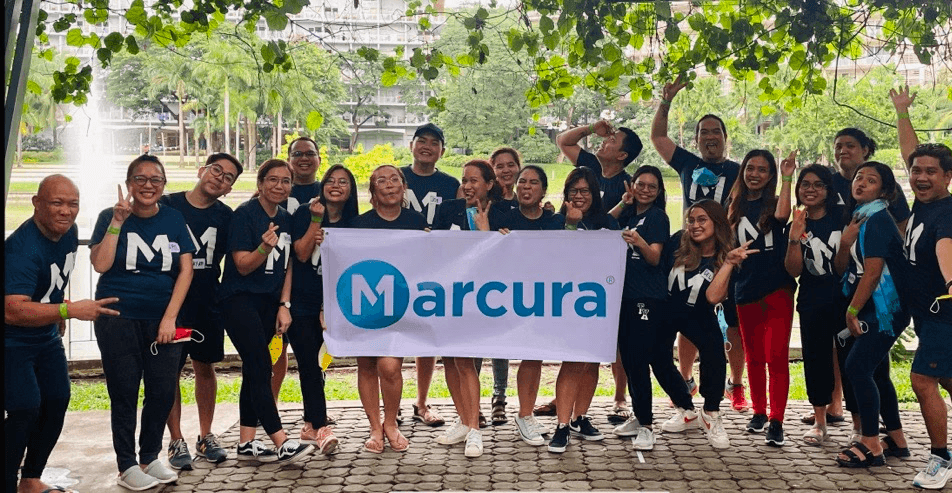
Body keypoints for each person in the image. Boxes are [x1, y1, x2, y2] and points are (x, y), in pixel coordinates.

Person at [5, 175, 119, 493]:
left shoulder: (68, 234)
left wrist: (57, 309)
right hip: (11, 341)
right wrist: (66, 310)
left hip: (44, 338)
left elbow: (53, 281)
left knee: (56, 399)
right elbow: (11, 309)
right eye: (57, 203)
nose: (66, 211)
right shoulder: (21, 250)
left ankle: (30, 480)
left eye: (73, 204)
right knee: (25, 408)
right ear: (36, 203)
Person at [88, 155, 196, 490]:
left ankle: (150, 456)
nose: (148, 185)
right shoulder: (110, 216)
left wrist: (170, 317)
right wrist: (118, 221)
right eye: (140, 178)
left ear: (163, 185)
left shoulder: (174, 219)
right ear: (129, 182)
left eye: (155, 179)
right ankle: (126, 465)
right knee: (124, 392)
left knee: (163, 390)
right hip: (117, 318)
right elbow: (100, 265)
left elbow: (186, 270)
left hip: (161, 319)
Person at [650, 75, 748, 412]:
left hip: (723, 252)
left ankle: (735, 384)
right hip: (690, 251)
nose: (710, 137)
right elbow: (659, 137)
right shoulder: (687, 163)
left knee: (728, 321)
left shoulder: (738, 170)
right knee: (685, 312)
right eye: (703, 132)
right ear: (696, 139)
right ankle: (686, 380)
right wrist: (667, 100)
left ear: (725, 138)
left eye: (715, 132)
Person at [217, 158, 313, 464]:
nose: (279, 186)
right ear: (260, 184)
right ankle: (281, 439)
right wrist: (263, 248)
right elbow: (242, 266)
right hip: (239, 299)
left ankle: (246, 442)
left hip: (269, 304)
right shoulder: (244, 215)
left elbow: (289, 267)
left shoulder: (286, 217)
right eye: (273, 180)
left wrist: (284, 305)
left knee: (254, 368)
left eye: (285, 181)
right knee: (260, 365)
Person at [555, 120, 644, 422]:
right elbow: (564, 141)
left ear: (622, 156)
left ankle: (619, 397)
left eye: (614, 140)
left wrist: (622, 204)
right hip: (570, 278)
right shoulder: (588, 167)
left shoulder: (628, 185)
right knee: (574, 351)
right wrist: (593, 129)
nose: (607, 142)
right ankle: (565, 407)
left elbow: (608, 226)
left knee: (611, 342)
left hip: (602, 277)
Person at [161, 153, 241, 471]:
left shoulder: (227, 217)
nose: (219, 178)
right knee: (169, 371)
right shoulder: (167, 205)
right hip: (172, 305)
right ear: (201, 170)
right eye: (215, 171)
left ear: (229, 188)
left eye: (227, 178)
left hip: (207, 301)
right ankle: (176, 438)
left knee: (205, 367)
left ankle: (206, 435)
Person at [891, 86, 952, 489]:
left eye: (932, 172)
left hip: (942, 312)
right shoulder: (923, 203)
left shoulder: (946, 214)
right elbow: (911, 152)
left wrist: (951, 281)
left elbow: (947, 248)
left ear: (948, 177)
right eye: (917, 172)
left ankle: (940, 459)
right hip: (924, 312)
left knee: (922, 381)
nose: (921, 176)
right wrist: (902, 113)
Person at [833, 162, 910, 468]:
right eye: (859, 178)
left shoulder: (877, 219)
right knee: (876, 372)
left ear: (885, 190)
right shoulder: (860, 218)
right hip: (871, 307)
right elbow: (844, 268)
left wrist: (852, 312)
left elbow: (873, 273)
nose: (861, 183)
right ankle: (897, 439)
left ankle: (871, 444)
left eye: (871, 180)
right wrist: (844, 243)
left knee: (858, 368)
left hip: (886, 309)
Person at [657, 200, 749, 450]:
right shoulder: (677, 241)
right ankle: (686, 409)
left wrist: (729, 263)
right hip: (667, 309)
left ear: (716, 223)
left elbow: (712, 297)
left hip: (699, 313)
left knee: (714, 355)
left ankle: (710, 414)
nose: (694, 225)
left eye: (702, 220)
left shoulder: (726, 256)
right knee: (657, 356)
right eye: (691, 219)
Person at [353, 165, 428, 453]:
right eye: (381, 180)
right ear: (373, 192)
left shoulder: (416, 221)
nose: (389, 184)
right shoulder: (359, 225)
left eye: (394, 179)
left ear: (403, 187)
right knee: (367, 365)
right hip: (365, 304)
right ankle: (374, 426)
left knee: (390, 366)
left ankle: (391, 422)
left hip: (400, 306)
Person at [431, 159, 504, 457]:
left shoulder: (501, 211)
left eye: (475, 180)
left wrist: (485, 233)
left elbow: (506, 256)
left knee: (465, 359)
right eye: (465, 179)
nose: (468, 185)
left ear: (489, 184)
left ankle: (474, 428)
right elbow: (432, 246)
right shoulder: (448, 209)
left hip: (484, 297)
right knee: (451, 358)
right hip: (448, 294)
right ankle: (463, 421)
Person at [288, 164, 359, 456]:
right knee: (308, 362)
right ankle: (321, 427)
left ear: (351, 190)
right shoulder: (306, 212)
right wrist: (316, 222)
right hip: (300, 302)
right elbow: (302, 254)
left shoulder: (355, 223)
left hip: (333, 304)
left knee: (320, 362)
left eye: (343, 182)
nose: (336, 185)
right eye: (330, 180)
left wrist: (327, 307)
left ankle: (309, 422)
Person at [547, 167, 619, 454]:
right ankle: (561, 425)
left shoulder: (607, 223)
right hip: (568, 303)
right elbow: (555, 258)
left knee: (592, 363)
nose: (579, 196)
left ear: (595, 194)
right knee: (573, 362)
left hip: (600, 302)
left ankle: (580, 417)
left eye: (585, 191)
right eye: (574, 191)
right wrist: (570, 226)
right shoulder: (556, 221)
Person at [726, 149, 796, 446]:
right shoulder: (733, 205)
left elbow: (783, 214)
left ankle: (777, 419)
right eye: (750, 168)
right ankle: (758, 411)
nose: (755, 174)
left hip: (777, 287)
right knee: (754, 356)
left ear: (771, 176)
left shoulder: (773, 203)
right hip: (745, 288)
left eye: (763, 170)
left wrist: (788, 177)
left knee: (777, 356)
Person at [783, 164, 853, 446]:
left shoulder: (843, 216)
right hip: (812, 301)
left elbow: (845, 266)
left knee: (850, 363)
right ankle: (820, 422)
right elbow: (794, 270)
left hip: (846, 299)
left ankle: (860, 427)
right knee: (816, 361)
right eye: (805, 184)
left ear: (828, 190)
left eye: (817, 185)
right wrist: (793, 237)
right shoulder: (797, 223)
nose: (810, 190)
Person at [498, 165, 565, 446]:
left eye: (533, 183)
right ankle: (469, 418)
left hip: (540, 297)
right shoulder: (503, 215)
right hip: (503, 297)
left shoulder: (553, 221)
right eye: (522, 182)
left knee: (533, 355)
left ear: (543, 190)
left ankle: (525, 415)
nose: (526, 187)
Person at [402, 123, 459, 428]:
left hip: (437, 271)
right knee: (393, 333)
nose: (426, 146)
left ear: (442, 151)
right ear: (411, 145)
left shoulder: (451, 185)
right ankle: (391, 405)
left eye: (434, 142)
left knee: (429, 337)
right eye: (421, 141)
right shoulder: (395, 177)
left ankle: (421, 402)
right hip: (399, 266)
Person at [611, 166, 670, 451]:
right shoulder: (631, 215)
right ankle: (638, 415)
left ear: (659, 191)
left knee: (640, 361)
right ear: (632, 186)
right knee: (630, 361)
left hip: (647, 298)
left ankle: (647, 425)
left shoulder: (658, 217)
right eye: (640, 184)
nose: (645, 190)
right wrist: (624, 202)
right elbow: (602, 223)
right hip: (623, 297)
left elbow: (655, 258)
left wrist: (639, 241)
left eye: (652, 186)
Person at [272, 136, 324, 405]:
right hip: (275, 280)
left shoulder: (326, 191)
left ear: (318, 159)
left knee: (313, 354)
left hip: (312, 283)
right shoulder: (277, 189)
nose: (304, 158)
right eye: (297, 154)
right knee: (275, 350)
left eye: (310, 153)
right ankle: (269, 406)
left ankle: (315, 410)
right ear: (289, 160)